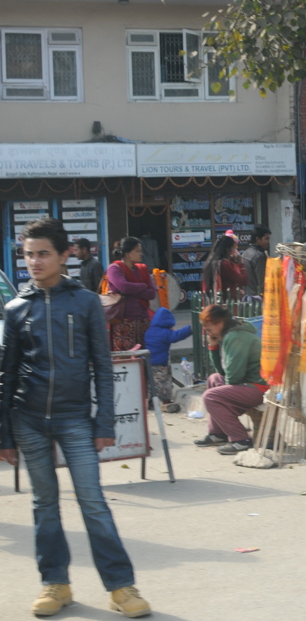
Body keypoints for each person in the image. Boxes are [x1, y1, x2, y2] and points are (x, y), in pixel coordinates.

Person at [0, 218, 151, 618]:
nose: (34, 261)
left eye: (43, 253)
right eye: (28, 254)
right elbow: (7, 374)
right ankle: (56, 584)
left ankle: (121, 588)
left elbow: (102, 366)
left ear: (64, 255)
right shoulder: (17, 308)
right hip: (27, 420)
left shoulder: (84, 302)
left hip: (75, 420)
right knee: (44, 503)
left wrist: (105, 423)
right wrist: (4, 435)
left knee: (93, 502)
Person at [193, 304, 267, 455]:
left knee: (211, 396)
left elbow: (233, 377)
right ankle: (218, 433)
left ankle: (241, 440)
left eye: (209, 329)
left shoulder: (236, 337)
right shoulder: (230, 335)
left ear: (219, 323)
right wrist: (213, 348)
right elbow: (223, 373)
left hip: (260, 388)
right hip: (248, 383)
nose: (208, 333)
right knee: (213, 379)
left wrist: (224, 388)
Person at [106, 237, 156, 352]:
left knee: (144, 356)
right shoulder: (114, 268)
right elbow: (124, 286)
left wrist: (132, 290)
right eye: (137, 251)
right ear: (128, 254)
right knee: (125, 359)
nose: (141, 254)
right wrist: (143, 286)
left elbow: (152, 293)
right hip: (123, 321)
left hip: (142, 319)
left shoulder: (142, 269)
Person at [144, 307, 193, 414]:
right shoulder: (165, 333)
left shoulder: (149, 331)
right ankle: (166, 400)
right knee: (163, 383)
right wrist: (189, 329)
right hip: (160, 364)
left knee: (151, 383)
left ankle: (151, 401)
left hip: (148, 363)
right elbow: (176, 336)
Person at [202, 234, 248, 301]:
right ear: (228, 250)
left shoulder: (212, 262)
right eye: (233, 248)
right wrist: (241, 264)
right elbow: (244, 281)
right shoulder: (224, 264)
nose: (235, 251)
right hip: (226, 301)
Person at [242, 224, 272, 297]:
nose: (268, 242)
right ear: (258, 239)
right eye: (266, 239)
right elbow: (262, 281)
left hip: (246, 296)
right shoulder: (258, 256)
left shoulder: (245, 253)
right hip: (256, 297)